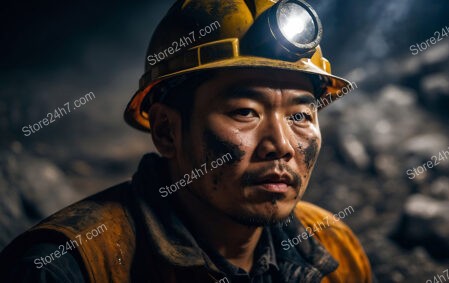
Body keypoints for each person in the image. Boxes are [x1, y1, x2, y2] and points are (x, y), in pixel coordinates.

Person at [0, 0, 373, 282]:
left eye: (300, 116)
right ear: (166, 131)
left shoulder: (334, 247)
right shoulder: (66, 267)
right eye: (245, 112)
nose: (282, 145)